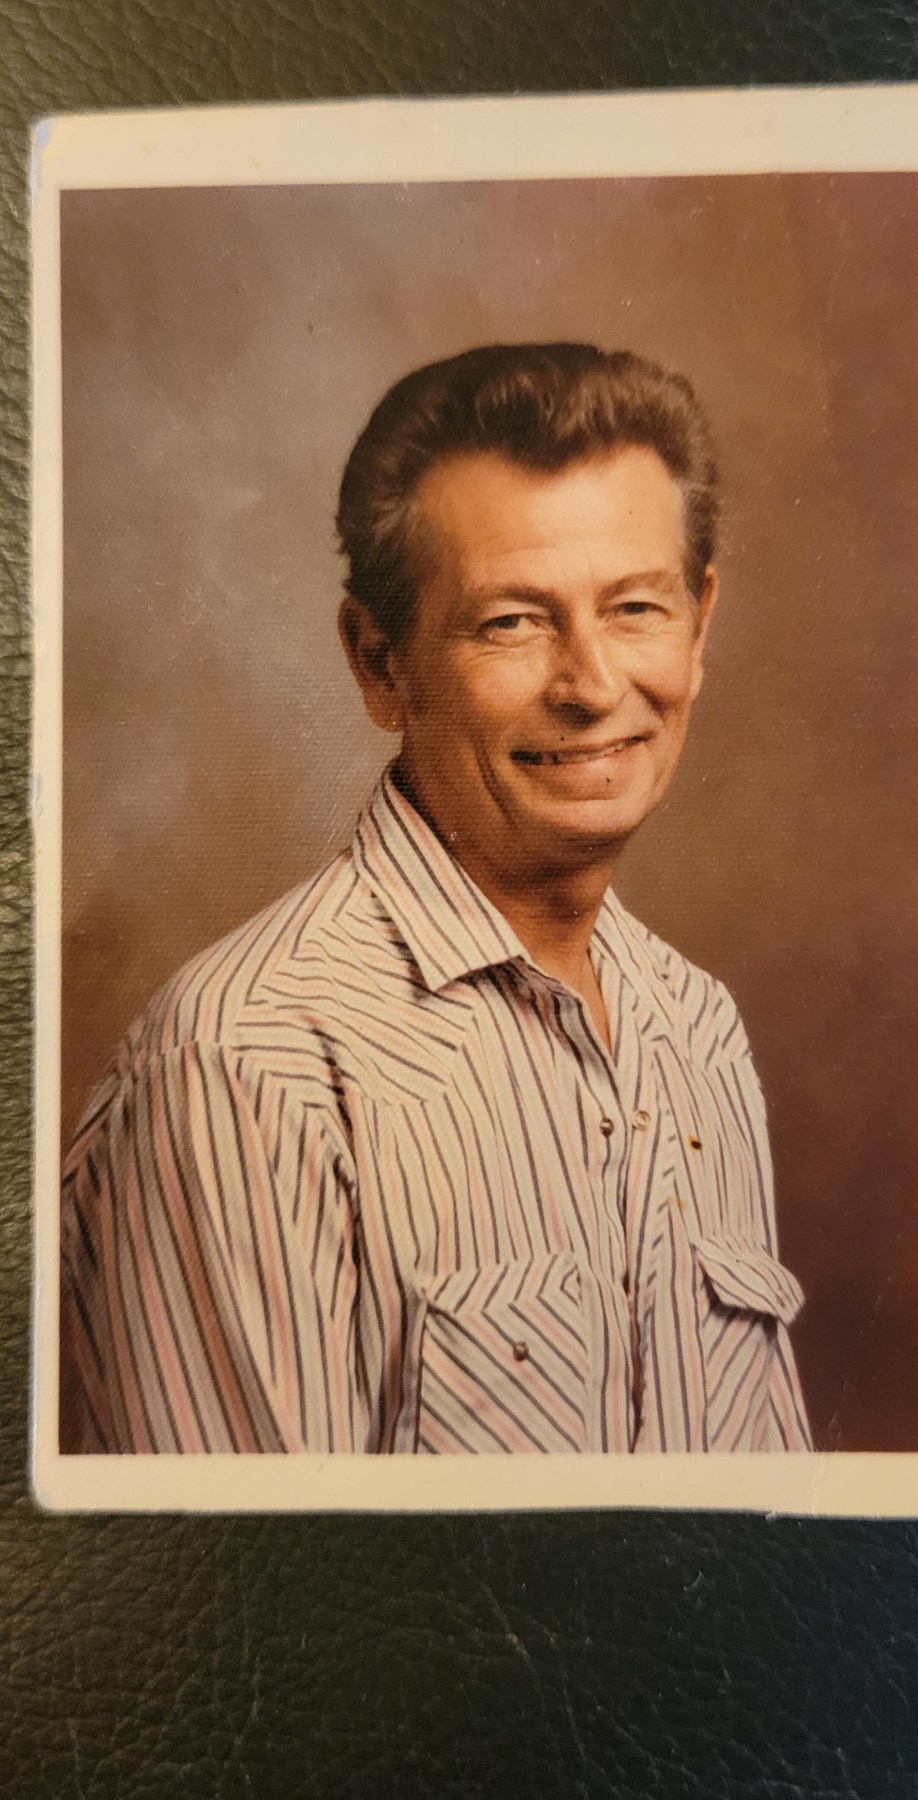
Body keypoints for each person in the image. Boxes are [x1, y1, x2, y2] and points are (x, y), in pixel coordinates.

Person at [60, 342, 812, 1455]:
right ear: (379, 662)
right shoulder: (244, 1066)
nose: (593, 684)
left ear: (699, 628)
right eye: (512, 621)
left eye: (635, 608)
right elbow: (254, 1570)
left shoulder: (700, 1030)